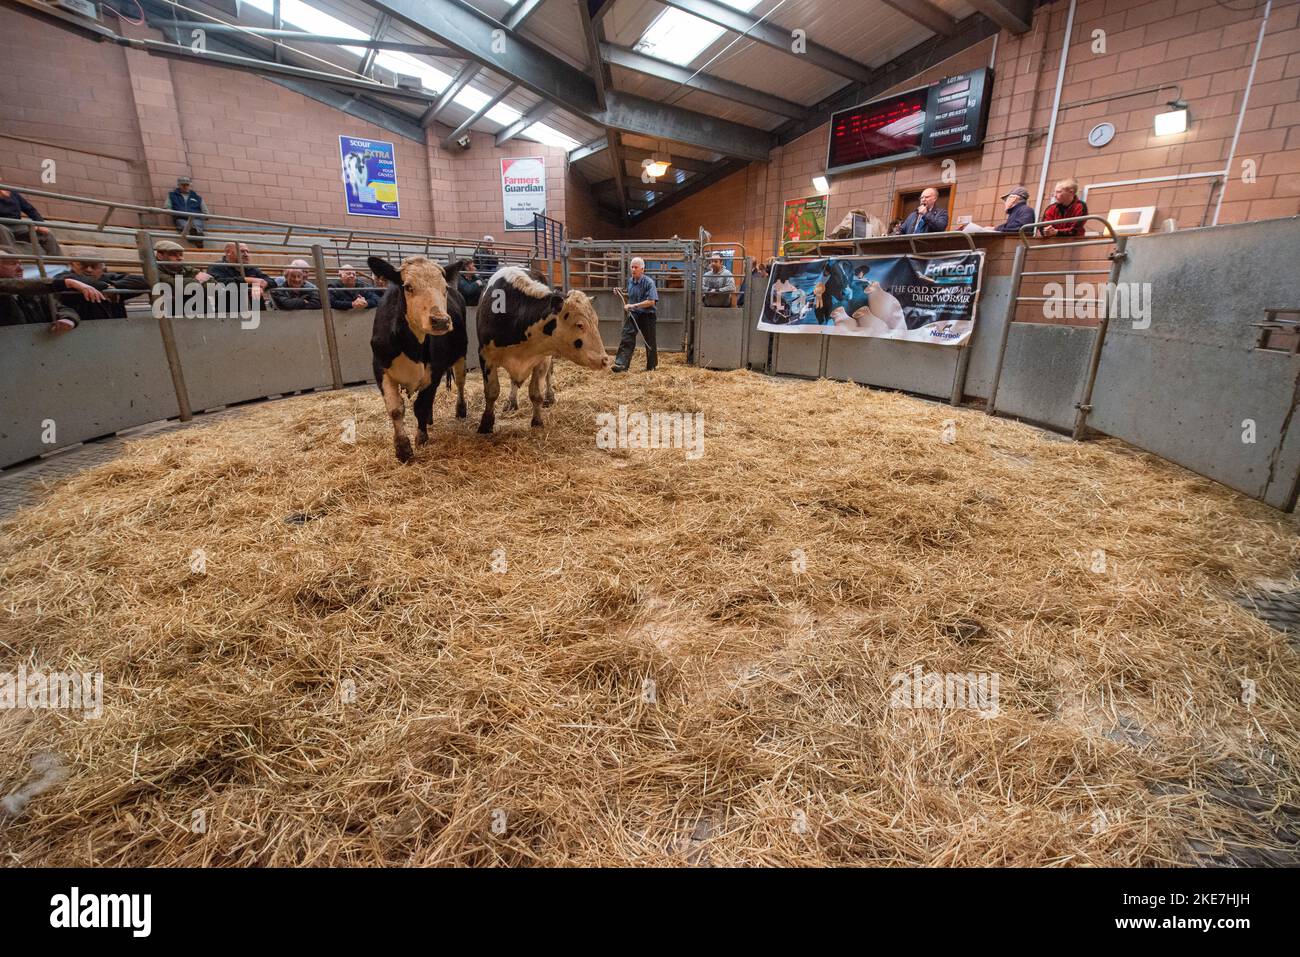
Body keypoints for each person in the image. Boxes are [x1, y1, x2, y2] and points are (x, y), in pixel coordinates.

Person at [0, 254, 104, 331]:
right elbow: (8, 285)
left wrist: (68, 319)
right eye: (11, 263)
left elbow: (62, 308)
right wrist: (67, 283)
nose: (20, 269)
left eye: (20, 263)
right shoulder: (30, 288)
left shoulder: (32, 293)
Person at [51, 258, 150, 322]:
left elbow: (143, 282)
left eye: (94, 266)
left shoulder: (110, 277)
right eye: (83, 265)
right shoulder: (64, 278)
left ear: (103, 267)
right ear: (72, 265)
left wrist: (113, 286)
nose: (89, 269)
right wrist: (106, 288)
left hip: (116, 330)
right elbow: (63, 281)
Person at [613, 256, 657, 373]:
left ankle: (651, 367)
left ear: (642, 269)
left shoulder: (649, 283)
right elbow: (631, 295)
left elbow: (651, 301)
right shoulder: (630, 281)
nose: (633, 269)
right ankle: (621, 364)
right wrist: (620, 292)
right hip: (634, 315)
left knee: (649, 341)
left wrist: (632, 306)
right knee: (627, 336)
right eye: (632, 267)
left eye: (636, 267)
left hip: (648, 315)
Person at [0, 187, 63, 257]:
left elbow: (30, 209)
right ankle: (12, 262)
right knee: (2, 230)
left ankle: (57, 262)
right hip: (2, 225)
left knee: (46, 234)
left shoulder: (12, 192)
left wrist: (41, 224)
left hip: (17, 225)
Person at [167, 176, 209, 247]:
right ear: (179, 185)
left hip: (195, 218)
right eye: (183, 185)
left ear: (190, 185)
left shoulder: (197, 198)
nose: (185, 186)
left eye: (187, 185)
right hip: (180, 217)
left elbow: (205, 212)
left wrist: (205, 216)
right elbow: (167, 207)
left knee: (197, 225)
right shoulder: (172, 195)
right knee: (184, 226)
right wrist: (170, 212)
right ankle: (198, 241)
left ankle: (197, 237)